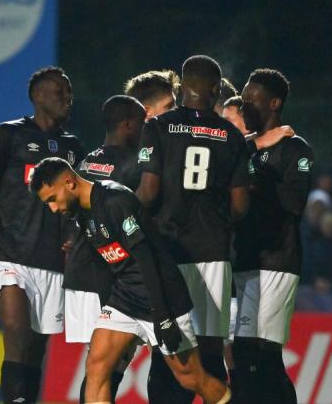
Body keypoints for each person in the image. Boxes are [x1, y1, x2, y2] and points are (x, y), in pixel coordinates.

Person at [30, 157, 232, 404]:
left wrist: (163, 316)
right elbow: (108, 267)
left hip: (161, 297)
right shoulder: (82, 215)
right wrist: (109, 308)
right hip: (125, 297)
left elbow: (146, 258)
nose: (53, 209)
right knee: (96, 366)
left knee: (190, 377)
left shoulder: (115, 201)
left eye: (52, 199)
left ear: (69, 182)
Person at [136, 55, 250, 402]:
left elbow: (149, 191)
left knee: (168, 347)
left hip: (168, 252)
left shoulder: (157, 127)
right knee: (212, 350)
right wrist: (219, 224)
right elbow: (241, 206)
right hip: (213, 253)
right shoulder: (231, 135)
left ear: (182, 87)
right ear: (216, 91)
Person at [0, 66, 84, 404]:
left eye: (68, 91)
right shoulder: (6, 135)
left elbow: (79, 202)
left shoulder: (73, 146)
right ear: (37, 96)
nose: (67, 97)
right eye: (59, 91)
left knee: (36, 348)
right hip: (10, 256)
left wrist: (74, 236)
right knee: (17, 334)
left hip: (51, 261)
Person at [232, 68, 314, 403]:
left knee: (265, 354)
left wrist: (253, 181)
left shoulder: (296, 150)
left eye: (253, 98)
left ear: (274, 103)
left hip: (277, 262)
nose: (245, 103)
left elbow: (294, 205)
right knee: (244, 353)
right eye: (244, 97)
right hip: (245, 259)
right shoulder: (244, 147)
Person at [67, 95, 146, 401]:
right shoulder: (132, 165)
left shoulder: (87, 161)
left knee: (104, 362)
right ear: (127, 124)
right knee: (107, 364)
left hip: (81, 266)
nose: (144, 130)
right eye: (141, 123)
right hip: (106, 271)